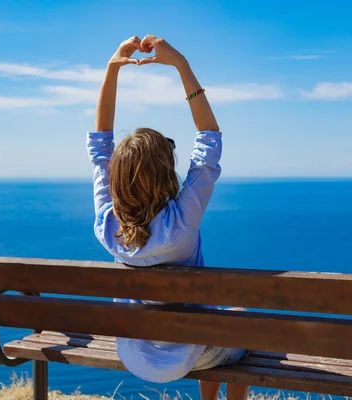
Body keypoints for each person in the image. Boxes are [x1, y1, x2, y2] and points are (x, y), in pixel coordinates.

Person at [86, 35, 249, 400]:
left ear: (117, 178)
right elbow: (208, 142)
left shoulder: (107, 225)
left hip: (138, 353)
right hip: (195, 349)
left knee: (215, 323)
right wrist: (181, 65)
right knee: (239, 321)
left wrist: (112, 70)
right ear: (165, 174)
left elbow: (99, 148)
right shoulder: (179, 223)